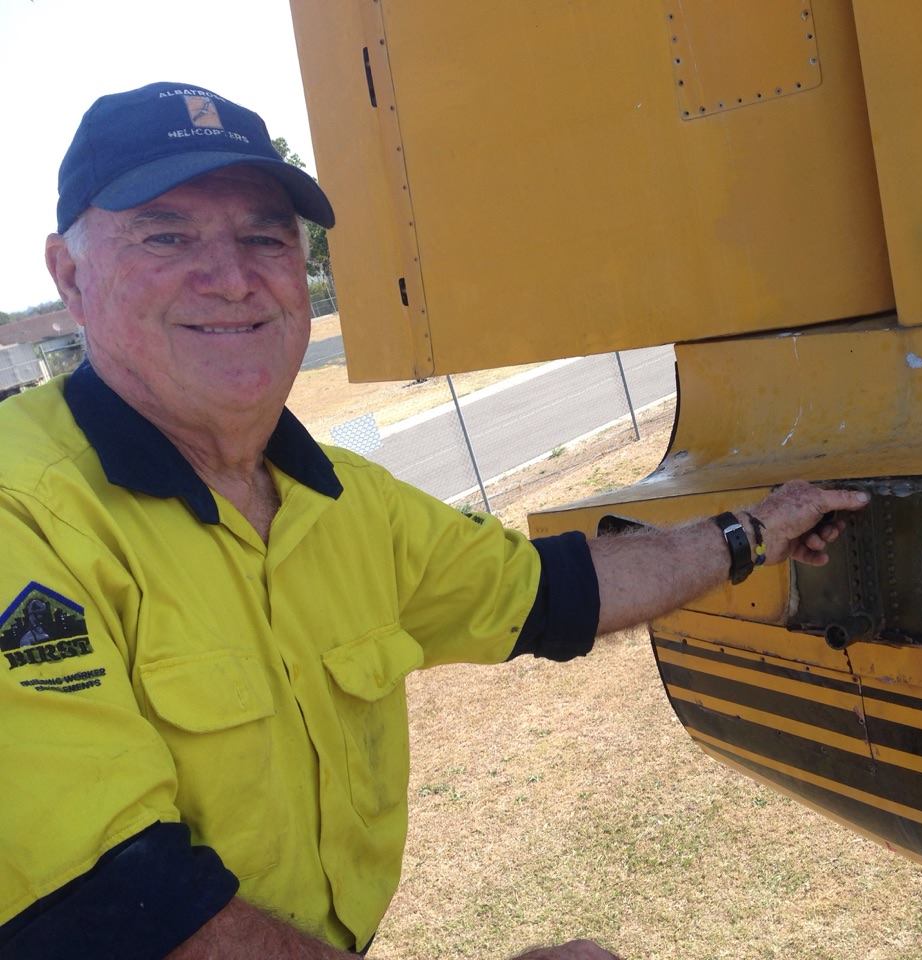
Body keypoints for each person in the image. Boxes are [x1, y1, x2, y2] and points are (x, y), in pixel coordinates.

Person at [0, 82, 867, 960]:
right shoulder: (19, 511)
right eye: (166, 234)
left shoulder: (338, 498)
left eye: (264, 235)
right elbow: (108, 908)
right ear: (69, 277)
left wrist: (748, 533)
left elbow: (551, 592)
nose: (229, 277)